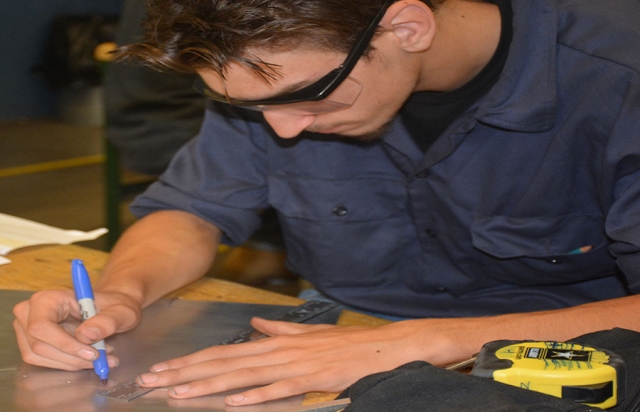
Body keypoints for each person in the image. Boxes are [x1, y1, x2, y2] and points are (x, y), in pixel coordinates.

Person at [12, 0, 640, 407]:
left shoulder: (617, 76)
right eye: (249, 107)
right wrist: (122, 293)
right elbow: (192, 210)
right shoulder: (276, 81)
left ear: (407, 27)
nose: (282, 129)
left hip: (560, 357)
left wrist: (418, 344)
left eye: (310, 97)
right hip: (333, 337)